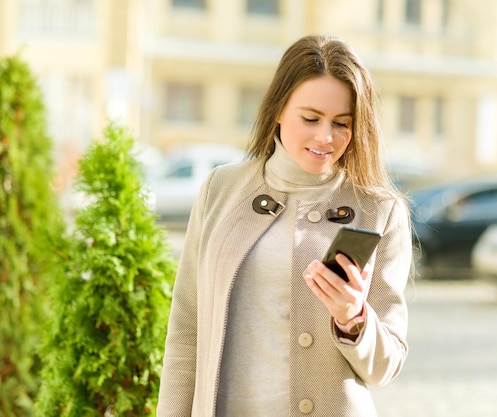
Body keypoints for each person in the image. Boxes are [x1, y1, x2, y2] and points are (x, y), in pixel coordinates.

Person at [157, 34, 413, 417]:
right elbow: (185, 332)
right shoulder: (219, 190)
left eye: (341, 124)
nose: (325, 137)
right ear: (278, 109)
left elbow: (386, 366)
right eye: (310, 118)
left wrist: (354, 319)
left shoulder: (380, 211)